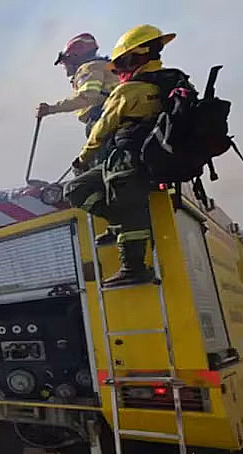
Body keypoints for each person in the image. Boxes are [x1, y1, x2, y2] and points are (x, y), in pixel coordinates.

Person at [64, 24, 183, 286]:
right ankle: (124, 227)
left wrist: (81, 159)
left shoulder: (128, 90)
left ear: (132, 59)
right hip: (159, 155)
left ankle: (133, 266)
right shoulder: (174, 80)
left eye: (121, 64)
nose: (118, 71)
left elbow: (101, 130)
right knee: (126, 204)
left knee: (77, 189)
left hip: (129, 159)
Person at [37, 33, 119, 137]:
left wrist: (51, 109)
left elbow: (86, 98)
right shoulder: (105, 66)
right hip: (116, 112)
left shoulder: (89, 68)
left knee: (97, 146)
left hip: (105, 118)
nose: (65, 67)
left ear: (75, 57)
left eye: (66, 61)